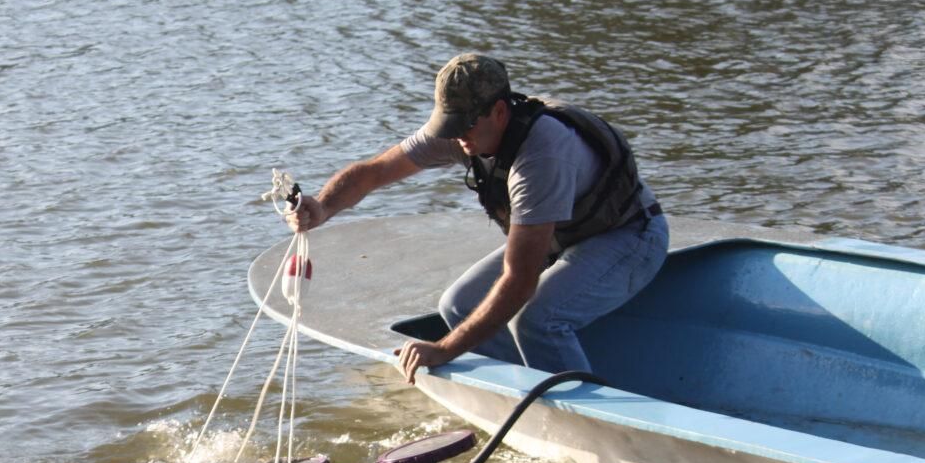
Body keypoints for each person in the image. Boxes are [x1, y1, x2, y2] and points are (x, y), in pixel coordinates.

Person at [286, 52, 668, 384]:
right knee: (458, 305)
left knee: (539, 320)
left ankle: (590, 422)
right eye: (448, 126)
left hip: (629, 237)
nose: (457, 138)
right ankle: (527, 392)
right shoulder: (461, 132)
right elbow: (374, 172)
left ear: (500, 112)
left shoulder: (541, 158)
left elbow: (520, 282)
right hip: (562, 236)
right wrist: (322, 206)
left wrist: (444, 349)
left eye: (464, 126)